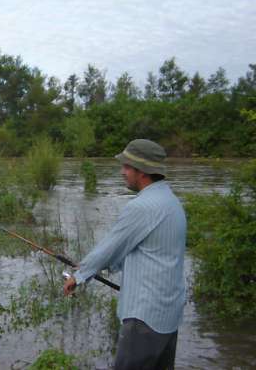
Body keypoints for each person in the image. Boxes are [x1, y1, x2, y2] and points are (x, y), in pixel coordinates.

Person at [63, 139, 186, 370]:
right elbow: (143, 250)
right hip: (169, 315)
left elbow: (109, 247)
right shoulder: (172, 202)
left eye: (127, 167)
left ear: (142, 172)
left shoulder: (142, 206)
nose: (122, 172)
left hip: (144, 318)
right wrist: (107, 266)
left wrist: (78, 276)